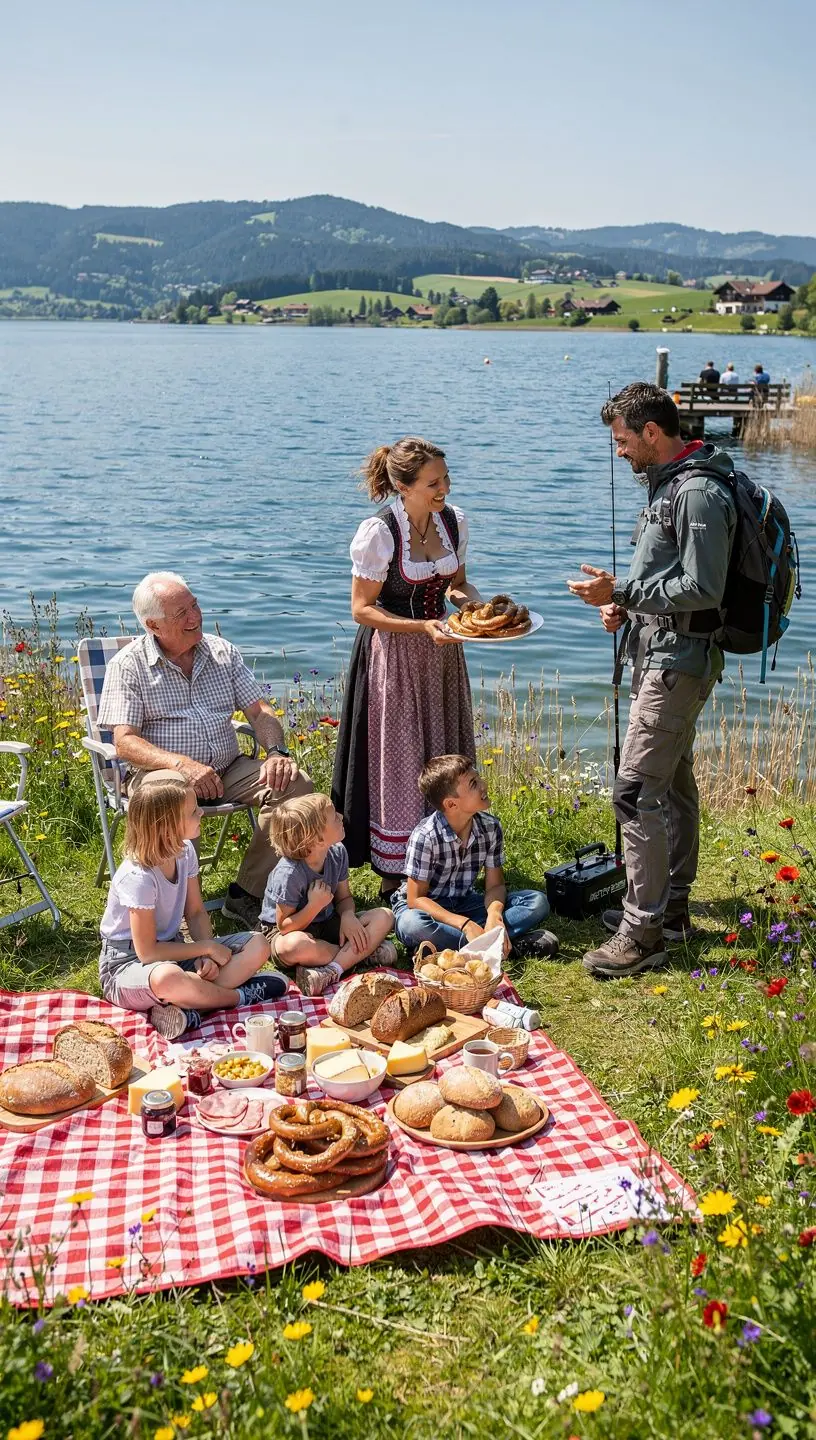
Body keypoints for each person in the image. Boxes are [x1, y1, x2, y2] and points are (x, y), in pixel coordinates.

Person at [567, 383, 737, 979]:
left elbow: (704, 587)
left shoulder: (698, 494)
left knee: (635, 791)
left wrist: (626, 592)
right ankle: (672, 912)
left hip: (677, 664)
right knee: (673, 782)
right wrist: (625, 605)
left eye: (622, 441)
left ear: (652, 433)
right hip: (660, 652)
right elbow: (669, 581)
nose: (619, 453)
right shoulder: (668, 487)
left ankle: (643, 935)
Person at [97, 571, 313, 929]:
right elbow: (125, 742)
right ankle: (177, 910)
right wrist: (182, 765)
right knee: (174, 795)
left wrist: (276, 751)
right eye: (180, 613)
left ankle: (248, 893)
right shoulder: (129, 666)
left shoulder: (221, 652)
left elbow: (259, 712)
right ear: (153, 624)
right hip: (162, 775)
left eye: (194, 605)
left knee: (296, 784)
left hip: (226, 768)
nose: (194, 617)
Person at [331, 438, 480, 893]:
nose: (444, 489)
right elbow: (362, 609)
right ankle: (397, 874)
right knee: (401, 759)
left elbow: (456, 585)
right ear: (403, 484)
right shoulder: (379, 532)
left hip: (444, 656)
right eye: (434, 482)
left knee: (443, 750)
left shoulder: (453, 522)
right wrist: (422, 628)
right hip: (395, 656)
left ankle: (449, 859)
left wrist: (476, 606)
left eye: (446, 478)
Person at [99, 775, 285, 1040]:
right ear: (167, 826)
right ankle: (238, 996)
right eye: (193, 811)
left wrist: (208, 955)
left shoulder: (184, 851)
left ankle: (187, 1005)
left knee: (259, 945)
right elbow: (148, 952)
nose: (201, 813)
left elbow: (196, 912)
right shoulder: (138, 876)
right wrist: (205, 948)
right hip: (128, 966)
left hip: (174, 952)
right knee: (168, 978)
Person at [391, 754, 558, 957]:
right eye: (473, 784)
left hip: (465, 903)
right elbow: (416, 900)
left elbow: (495, 886)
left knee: (537, 902)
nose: (483, 785)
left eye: (478, 778)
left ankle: (458, 945)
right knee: (412, 925)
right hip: (429, 910)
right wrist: (465, 925)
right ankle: (497, 944)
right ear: (452, 804)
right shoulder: (425, 836)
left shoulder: (490, 827)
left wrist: (494, 915)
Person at [259, 794, 397, 997]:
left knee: (385, 915)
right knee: (294, 946)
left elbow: (344, 898)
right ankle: (361, 954)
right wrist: (314, 905)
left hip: (328, 921)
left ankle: (332, 969)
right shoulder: (288, 873)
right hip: (289, 932)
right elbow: (284, 925)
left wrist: (348, 916)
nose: (341, 817)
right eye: (334, 817)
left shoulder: (337, 852)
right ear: (318, 839)